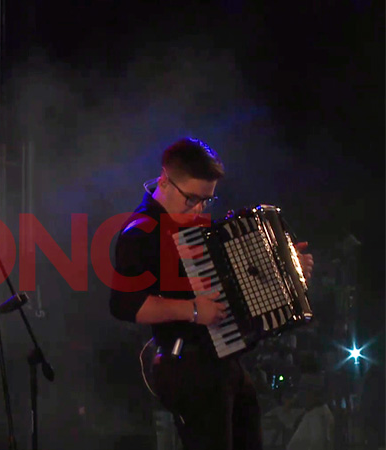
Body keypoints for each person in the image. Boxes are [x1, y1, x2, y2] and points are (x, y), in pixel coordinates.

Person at [109, 138, 314, 450]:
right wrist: (192, 310)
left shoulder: (192, 225)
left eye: (206, 200)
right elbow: (124, 305)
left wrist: (290, 271)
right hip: (186, 366)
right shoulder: (141, 231)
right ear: (165, 180)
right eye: (191, 198)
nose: (198, 208)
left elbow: (239, 283)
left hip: (224, 361)